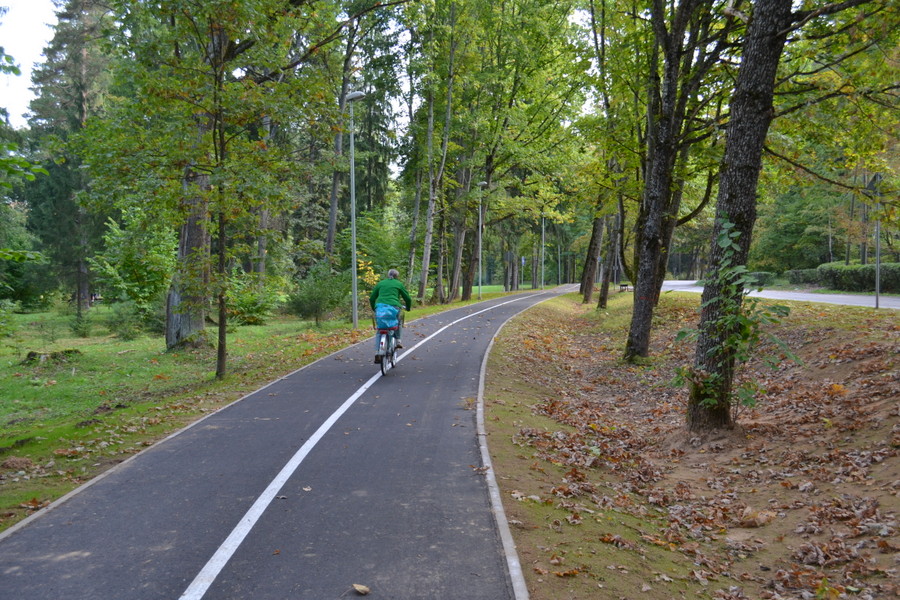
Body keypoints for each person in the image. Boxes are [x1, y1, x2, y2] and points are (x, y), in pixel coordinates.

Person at [369, 268, 412, 363]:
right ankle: (398, 341)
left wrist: (374, 308)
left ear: (388, 275)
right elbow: (407, 298)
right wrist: (408, 308)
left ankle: (377, 352)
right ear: (397, 276)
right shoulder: (398, 284)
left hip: (380, 308)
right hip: (394, 307)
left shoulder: (380, 283)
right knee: (398, 322)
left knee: (380, 329)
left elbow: (372, 298)